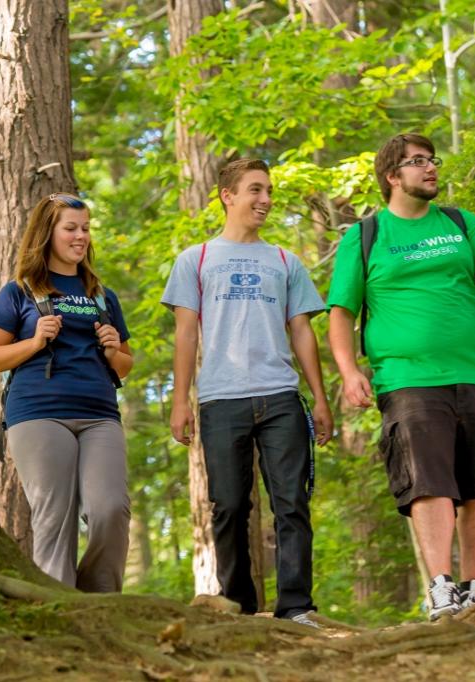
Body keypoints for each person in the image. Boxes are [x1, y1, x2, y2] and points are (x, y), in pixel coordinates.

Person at [327, 133, 475, 621]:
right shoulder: (365, 236)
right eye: (417, 162)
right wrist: (349, 372)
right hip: (408, 378)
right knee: (428, 482)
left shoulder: (461, 223)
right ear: (393, 176)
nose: (430, 168)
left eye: (432, 160)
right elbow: (342, 313)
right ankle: (440, 587)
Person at [162, 158, 333, 627]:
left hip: (281, 396)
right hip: (221, 398)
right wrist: (181, 401)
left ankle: (296, 605)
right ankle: (238, 606)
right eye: (256, 190)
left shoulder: (284, 260)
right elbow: (186, 334)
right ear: (228, 196)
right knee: (230, 505)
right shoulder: (195, 259)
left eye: (269, 191)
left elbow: (302, 331)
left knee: (291, 504)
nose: (266, 200)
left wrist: (318, 397)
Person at [0, 193, 133, 592]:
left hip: (99, 413)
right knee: (54, 519)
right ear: (48, 234)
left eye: (85, 228)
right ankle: (60, 606)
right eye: (71, 229)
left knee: (110, 510)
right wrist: (33, 342)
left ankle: (101, 605)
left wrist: (115, 349)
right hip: (38, 412)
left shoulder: (102, 294)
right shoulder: (19, 292)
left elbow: (126, 366)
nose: (81, 236)